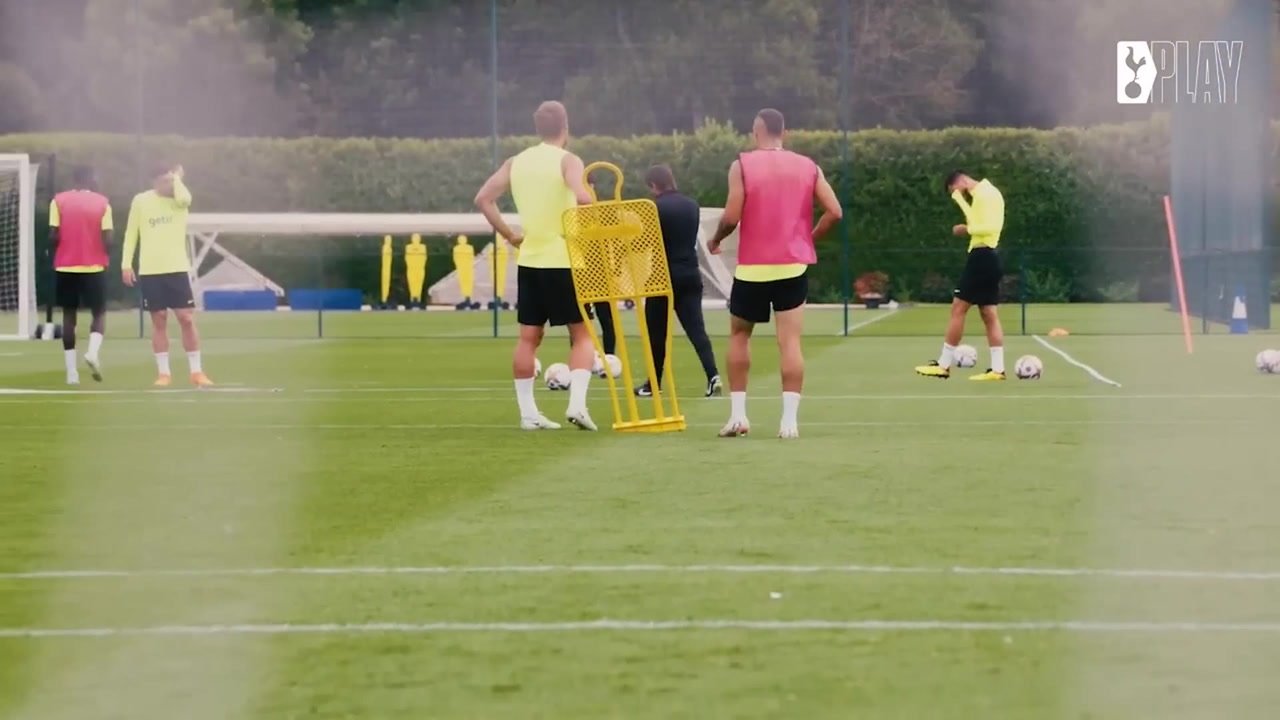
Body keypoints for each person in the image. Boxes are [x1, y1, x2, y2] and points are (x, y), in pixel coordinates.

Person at [708, 109, 843, 439]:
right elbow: (835, 212)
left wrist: (716, 240)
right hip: (792, 266)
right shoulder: (808, 166)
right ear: (786, 132)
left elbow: (730, 215)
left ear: (756, 130)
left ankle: (739, 416)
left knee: (740, 335)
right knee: (790, 341)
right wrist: (807, 240)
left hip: (753, 267)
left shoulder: (742, 165)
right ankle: (789, 423)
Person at [475, 100, 598, 431]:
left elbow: (483, 199)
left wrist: (509, 235)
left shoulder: (517, 162)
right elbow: (584, 199)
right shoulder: (569, 160)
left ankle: (528, 413)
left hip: (530, 260)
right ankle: (577, 405)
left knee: (528, 338)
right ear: (565, 128)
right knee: (583, 335)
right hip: (566, 260)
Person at [121, 162, 214, 388]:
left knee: (186, 318)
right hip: (151, 270)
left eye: (170, 181)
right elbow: (131, 232)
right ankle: (164, 374)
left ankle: (196, 372)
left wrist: (177, 178)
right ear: (154, 182)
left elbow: (185, 199)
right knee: (159, 319)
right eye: (164, 181)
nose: (168, 185)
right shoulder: (141, 201)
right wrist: (126, 264)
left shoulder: (179, 199)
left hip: (177, 268)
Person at [635, 164, 721, 398]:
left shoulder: (653, 207)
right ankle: (713, 375)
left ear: (653, 185)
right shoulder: (692, 205)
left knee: (657, 332)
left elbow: (644, 242)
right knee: (697, 330)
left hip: (662, 275)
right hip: (690, 273)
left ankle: (653, 383)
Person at [914, 170, 1007, 381]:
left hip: (982, 257)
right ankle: (998, 369)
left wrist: (966, 229)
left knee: (958, 307)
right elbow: (977, 222)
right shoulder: (981, 195)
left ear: (961, 181)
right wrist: (963, 206)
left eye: (954, 190)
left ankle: (944, 365)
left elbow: (989, 227)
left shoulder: (985, 194)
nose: (957, 195)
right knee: (988, 313)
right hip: (987, 256)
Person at [50, 165, 112, 385]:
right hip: (94, 266)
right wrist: (105, 255)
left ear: (74, 180)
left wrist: (59, 252)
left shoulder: (58, 201)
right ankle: (93, 353)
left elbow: (53, 235)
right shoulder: (102, 202)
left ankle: (71, 373)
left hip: (66, 266)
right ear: (91, 179)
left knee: (69, 316)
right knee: (99, 312)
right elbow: (108, 239)